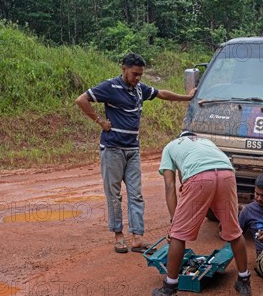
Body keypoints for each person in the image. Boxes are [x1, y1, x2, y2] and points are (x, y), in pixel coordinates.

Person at [75, 53, 195, 254]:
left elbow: (161, 94)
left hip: (133, 149)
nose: (137, 78)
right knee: (114, 195)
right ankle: (119, 235)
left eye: (140, 74)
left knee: (136, 194)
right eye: (134, 74)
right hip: (112, 149)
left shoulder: (139, 90)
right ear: (123, 69)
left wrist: (187, 97)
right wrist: (100, 121)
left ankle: (137, 237)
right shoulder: (109, 87)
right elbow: (82, 100)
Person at [151, 131, 251, 296]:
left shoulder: (170, 147)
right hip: (227, 174)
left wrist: (174, 221)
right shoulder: (206, 142)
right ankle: (244, 281)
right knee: (234, 231)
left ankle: (169, 289)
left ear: (179, 137)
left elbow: (170, 185)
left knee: (178, 235)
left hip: (199, 176)